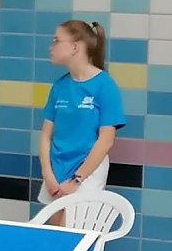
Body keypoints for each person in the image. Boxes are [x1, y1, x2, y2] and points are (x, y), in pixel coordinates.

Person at [38, 20, 125, 217]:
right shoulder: (59, 86)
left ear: (75, 47)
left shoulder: (105, 85)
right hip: (56, 171)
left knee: (79, 237)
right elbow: (45, 136)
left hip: (86, 174)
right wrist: (48, 174)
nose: (51, 47)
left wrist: (77, 179)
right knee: (57, 239)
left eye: (56, 41)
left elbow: (106, 140)